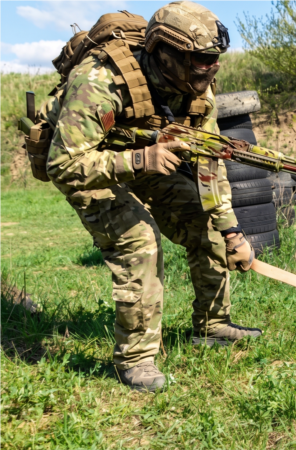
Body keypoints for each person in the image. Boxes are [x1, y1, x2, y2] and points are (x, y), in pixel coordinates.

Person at [45, 1, 260, 392]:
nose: (211, 68)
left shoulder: (200, 91)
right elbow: (61, 164)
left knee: (206, 222)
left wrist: (231, 231)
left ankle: (213, 326)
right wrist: (140, 159)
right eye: (202, 60)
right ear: (166, 53)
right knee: (140, 238)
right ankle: (136, 359)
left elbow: (210, 162)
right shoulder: (99, 82)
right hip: (89, 163)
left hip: (142, 159)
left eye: (215, 59)